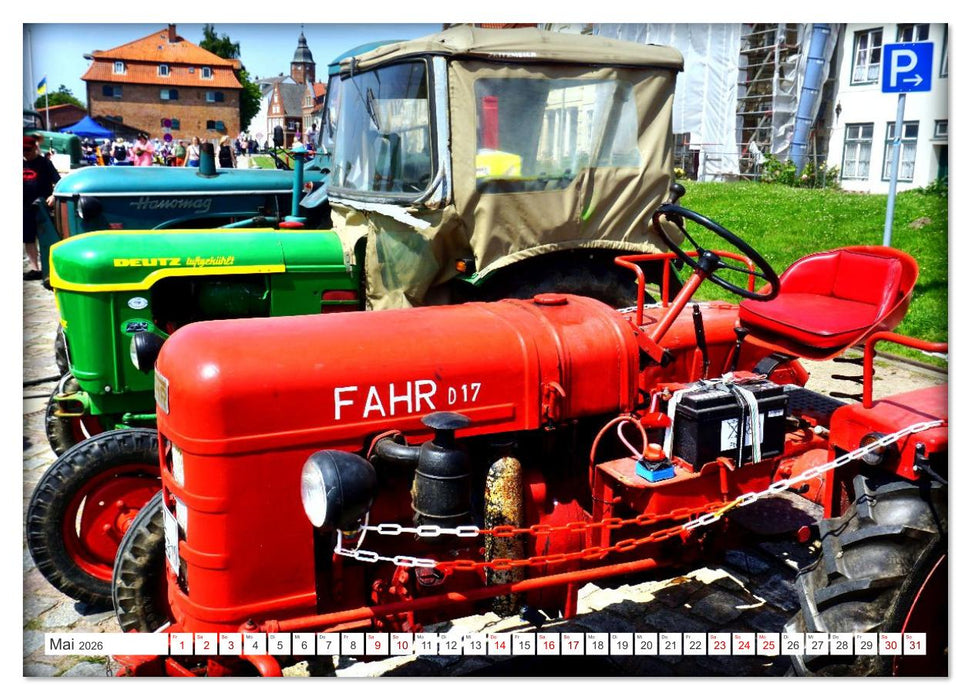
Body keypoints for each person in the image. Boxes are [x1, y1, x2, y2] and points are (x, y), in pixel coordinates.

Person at [23, 134, 60, 280]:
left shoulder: (44, 163)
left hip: (42, 206)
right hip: (24, 206)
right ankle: (35, 268)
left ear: (35, 148)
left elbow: (58, 181)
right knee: (29, 238)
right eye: (23, 150)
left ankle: (51, 266)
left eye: (28, 150)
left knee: (48, 236)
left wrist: (54, 195)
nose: (26, 153)